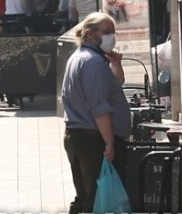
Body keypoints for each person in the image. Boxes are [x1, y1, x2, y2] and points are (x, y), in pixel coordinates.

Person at [61, 12, 129, 214]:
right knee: (96, 199)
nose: (112, 37)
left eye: (113, 32)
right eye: (107, 32)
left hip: (80, 136)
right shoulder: (92, 62)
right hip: (92, 139)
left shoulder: (82, 58)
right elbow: (100, 108)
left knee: (88, 197)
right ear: (90, 34)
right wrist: (109, 143)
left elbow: (114, 85)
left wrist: (115, 64)